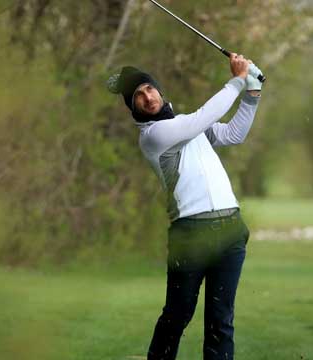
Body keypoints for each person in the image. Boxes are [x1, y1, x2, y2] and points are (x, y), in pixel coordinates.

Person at [107, 54, 262, 360]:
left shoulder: (186, 125)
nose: (147, 97)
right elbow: (202, 118)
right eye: (138, 96)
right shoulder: (153, 136)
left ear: (160, 91)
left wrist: (252, 94)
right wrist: (238, 80)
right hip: (190, 235)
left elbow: (233, 134)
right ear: (133, 108)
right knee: (177, 316)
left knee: (221, 322)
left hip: (231, 230)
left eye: (149, 88)